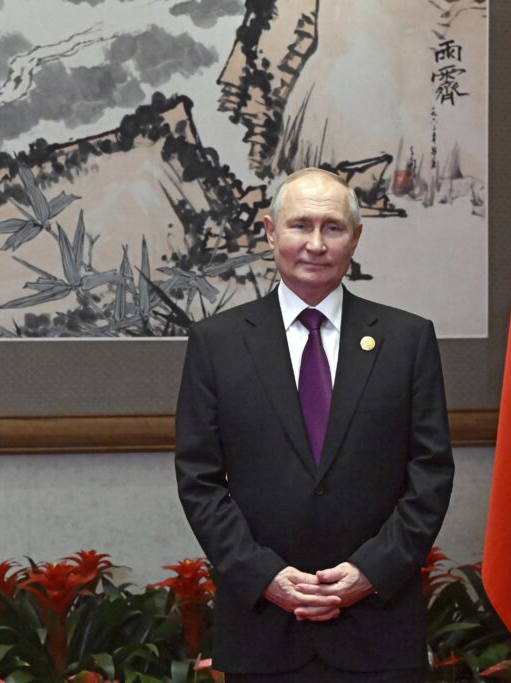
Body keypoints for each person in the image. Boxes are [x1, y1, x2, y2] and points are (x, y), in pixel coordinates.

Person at [175, 168, 454, 682]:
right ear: (269, 232)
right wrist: (265, 577)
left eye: (333, 227)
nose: (316, 244)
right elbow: (199, 481)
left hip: (379, 630)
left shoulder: (406, 339)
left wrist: (370, 574)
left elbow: (430, 475)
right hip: (263, 630)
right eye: (300, 225)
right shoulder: (217, 344)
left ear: (356, 238)